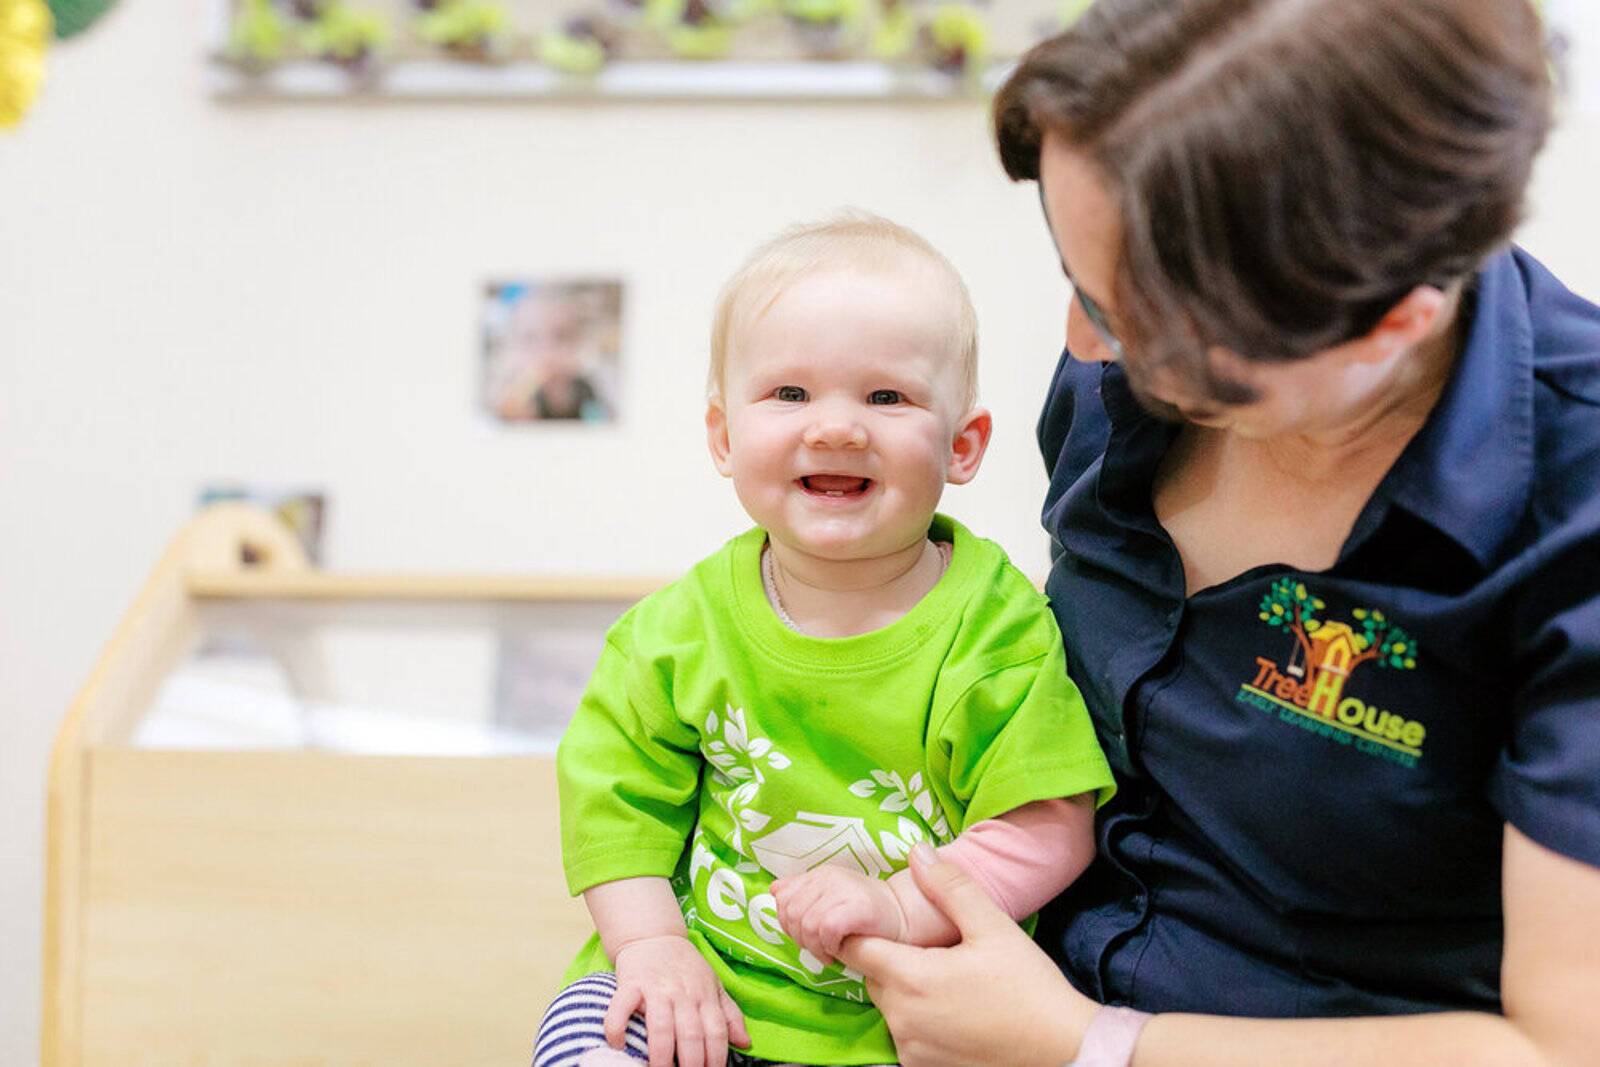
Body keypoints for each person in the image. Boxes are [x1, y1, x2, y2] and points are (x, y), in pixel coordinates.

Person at [834, 2, 1600, 1065]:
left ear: (1394, 321)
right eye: (1076, 276)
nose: (1081, 345)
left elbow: (1565, 1048)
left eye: (1137, 320)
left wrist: (1087, 1040)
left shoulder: (1575, 509)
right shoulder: (1118, 388)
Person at [532, 214, 1117, 1067]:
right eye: (790, 394)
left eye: (886, 397)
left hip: (912, 1018)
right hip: (706, 986)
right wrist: (651, 945)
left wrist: (902, 909)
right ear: (725, 437)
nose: (836, 428)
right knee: (597, 1030)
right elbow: (615, 808)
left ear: (963, 444)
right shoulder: (675, 632)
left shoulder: (996, 630)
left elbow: (1047, 822)